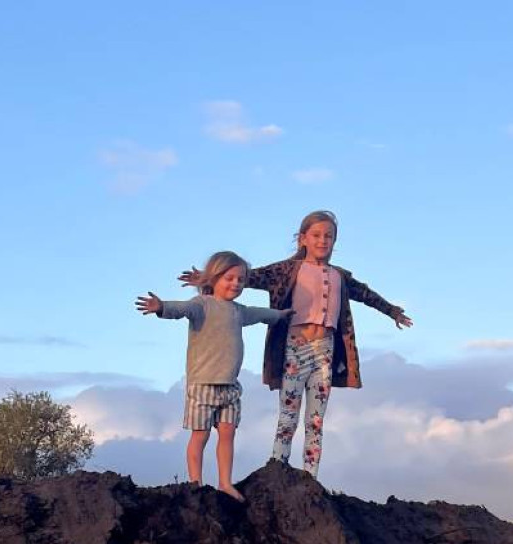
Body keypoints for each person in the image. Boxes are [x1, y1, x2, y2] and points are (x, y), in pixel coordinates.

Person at [180, 210, 412, 477]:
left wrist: (393, 311)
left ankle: (310, 477)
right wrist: (208, 277)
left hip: (325, 351)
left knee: (316, 419)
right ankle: (278, 468)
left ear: (334, 241)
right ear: (303, 238)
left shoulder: (340, 276)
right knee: (288, 415)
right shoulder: (286, 270)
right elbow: (247, 275)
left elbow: (367, 294)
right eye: (316, 235)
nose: (322, 241)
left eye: (328, 236)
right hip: (294, 348)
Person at [137, 251, 292, 501]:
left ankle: (225, 483)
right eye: (229, 278)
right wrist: (161, 307)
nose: (236, 284)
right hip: (202, 384)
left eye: (240, 280)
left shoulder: (239, 311)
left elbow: (261, 313)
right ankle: (195, 483)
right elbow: (182, 308)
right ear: (213, 278)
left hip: (230, 386)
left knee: (228, 433)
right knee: (201, 435)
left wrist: (280, 315)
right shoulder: (202, 305)